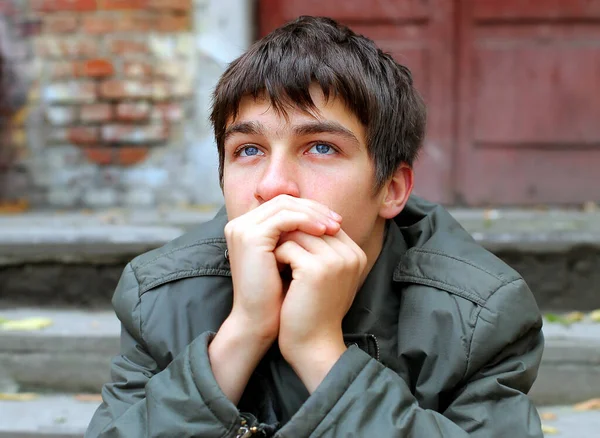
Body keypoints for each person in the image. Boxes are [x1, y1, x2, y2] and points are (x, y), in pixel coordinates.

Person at [86, 16, 544, 438]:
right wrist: (243, 331)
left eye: (320, 148)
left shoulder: (477, 315)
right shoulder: (162, 297)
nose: (272, 185)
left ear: (392, 189)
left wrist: (318, 351)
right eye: (248, 150)